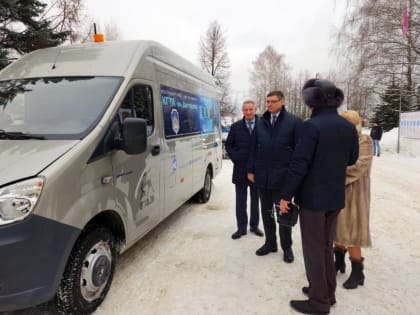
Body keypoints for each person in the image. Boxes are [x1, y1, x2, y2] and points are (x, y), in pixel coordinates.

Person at [279, 79, 359, 314]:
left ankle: (318, 302)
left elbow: (299, 164)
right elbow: (352, 159)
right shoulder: (347, 127)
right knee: (325, 246)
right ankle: (327, 292)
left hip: (313, 200)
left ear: (311, 99)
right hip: (334, 197)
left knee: (314, 248)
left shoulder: (311, 126)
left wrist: (286, 195)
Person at [247, 91, 302, 263]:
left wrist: (293, 176)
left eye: (273, 101)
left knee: (283, 214)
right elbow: (253, 148)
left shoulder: (293, 122)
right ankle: (270, 243)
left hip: (282, 178)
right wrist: (251, 169)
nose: (269, 105)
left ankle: (287, 247)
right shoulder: (261, 122)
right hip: (262, 177)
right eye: (267, 101)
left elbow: (299, 152)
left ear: (282, 101)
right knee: (266, 212)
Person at [334, 110, 373, 290]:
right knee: (336, 229)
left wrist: (333, 173)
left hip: (355, 194)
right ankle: (338, 262)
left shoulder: (364, 141)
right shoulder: (339, 141)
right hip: (337, 192)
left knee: (352, 233)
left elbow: (359, 167)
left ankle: (358, 271)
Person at [226, 100, 264, 239]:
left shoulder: (263, 125)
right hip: (240, 169)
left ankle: (254, 226)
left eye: (251, 109)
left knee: (255, 200)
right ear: (243, 111)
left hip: (257, 170)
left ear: (255, 110)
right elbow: (229, 145)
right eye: (246, 110)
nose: (248, 112)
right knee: (240, 201)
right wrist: (237, 157)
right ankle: (241, 228)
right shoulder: (236, 127)